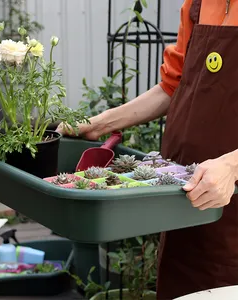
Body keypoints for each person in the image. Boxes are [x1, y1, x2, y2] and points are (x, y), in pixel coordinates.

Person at [57, 0, 238, 299]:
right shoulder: (196, 5)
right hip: (182, 200)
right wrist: (98, 123)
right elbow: (172, 85)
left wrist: (232, 166)